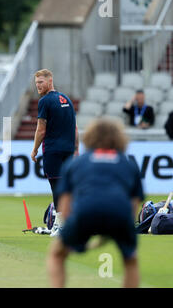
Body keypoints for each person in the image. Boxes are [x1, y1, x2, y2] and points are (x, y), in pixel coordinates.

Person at [47, 117, 143, 288]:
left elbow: (65, 205)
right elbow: (133, 206)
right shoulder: (128, 164)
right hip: (119, 214)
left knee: (57, 254)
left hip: (84, 213)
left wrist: (71, 234)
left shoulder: (75, 163)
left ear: (90, 137)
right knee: (131, 261)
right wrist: (120, 230)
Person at [30, 69, 79, 237]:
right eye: (36, 83)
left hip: (53, 150)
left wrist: (35, 149)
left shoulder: (44, 101)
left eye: (41, 82)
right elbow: (75, 128)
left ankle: (59, 225)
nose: (38, 86)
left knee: (56, 187)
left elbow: (41, 129)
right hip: (68, 149)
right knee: (66, 187)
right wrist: (77, 149)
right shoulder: (66, 99)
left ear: (50, 81)